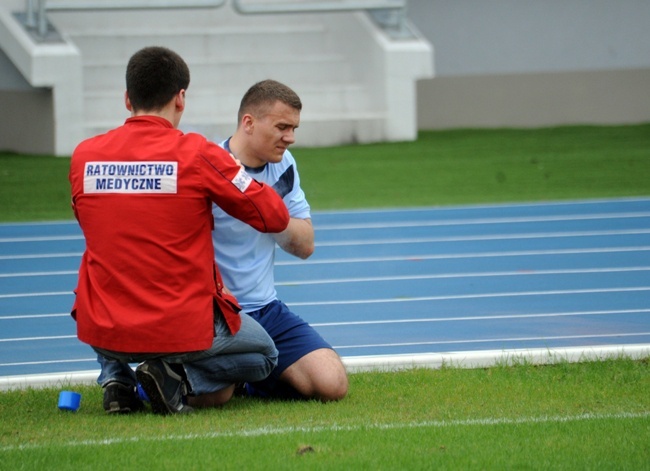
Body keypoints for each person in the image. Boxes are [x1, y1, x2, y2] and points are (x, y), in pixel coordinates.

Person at [69, 47, 290, 415]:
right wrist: (234, 172)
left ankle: (116, 380)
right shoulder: (198, 153)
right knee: (265, 355)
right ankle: (175, 379)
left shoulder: (84, 155)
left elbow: (90, 224)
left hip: (104, 325)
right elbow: (275, 217)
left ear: (127, 99)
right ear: (180, 98)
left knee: (105, 256)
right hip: (177, 329)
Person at [213, 79, 348, 401]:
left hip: (266, 309)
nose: (290, 138)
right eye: (282, 127)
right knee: (212, 397)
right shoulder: (207, 166)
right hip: (216, 309)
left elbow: (305, 245)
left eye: (294, 128)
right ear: (249, 122)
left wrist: (258, 202)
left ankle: (248, 375)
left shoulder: (283, 166)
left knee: (332, 384)